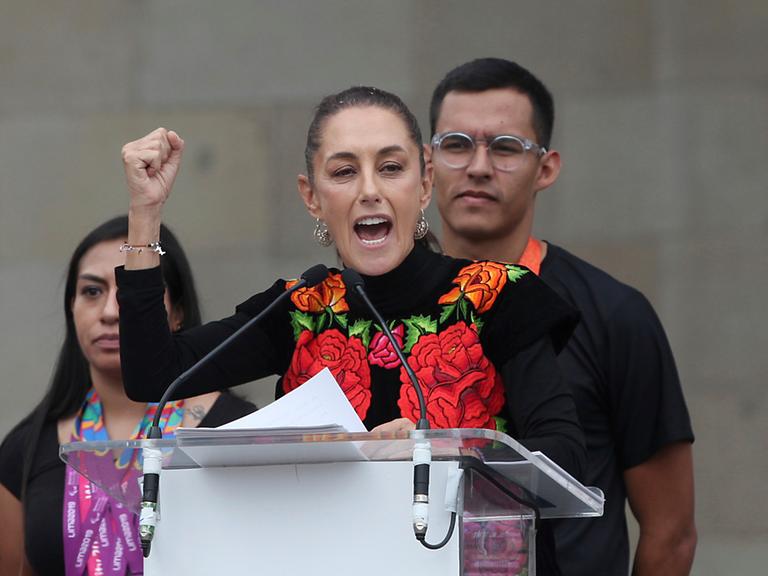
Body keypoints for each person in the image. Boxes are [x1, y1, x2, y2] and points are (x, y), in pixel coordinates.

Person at [115, 86, 586, 574]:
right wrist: (145, 214)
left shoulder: (497, 295)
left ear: (424, 183)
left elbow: (567, 457)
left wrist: (440, 450)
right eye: (343, 172)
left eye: (390, 167)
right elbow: (154, 374)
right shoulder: (300, 309)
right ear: (312, 197)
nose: (369, 190)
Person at [428, 57, 697, 575]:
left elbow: (672, 532)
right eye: (457, 144)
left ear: (545, 168)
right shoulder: (381, 309)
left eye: (505, 148)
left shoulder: (615, 314)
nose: (478, 166)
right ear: (425, 161)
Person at [0, 215, 255, 576]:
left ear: (176, 312)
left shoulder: (237, 430)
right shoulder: (26, 448)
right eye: (91, 292)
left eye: (126, 293)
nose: (108, 312)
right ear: (70, 308)